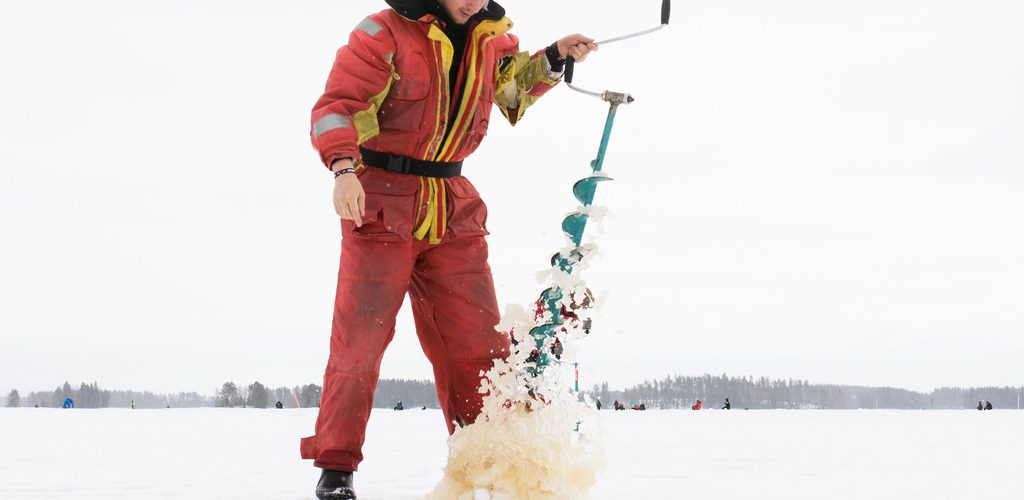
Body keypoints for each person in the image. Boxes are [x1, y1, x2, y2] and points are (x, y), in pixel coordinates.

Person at [300, 1, 597, 498]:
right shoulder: (384, 31)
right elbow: (337, 108)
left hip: (453, 204)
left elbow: (511, 91)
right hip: (380, 200)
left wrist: (552, 57)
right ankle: (336, 469)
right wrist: (344, 168)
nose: (474, 2)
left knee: (479, 347)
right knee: (360, 342)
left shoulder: (492, 38)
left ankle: (485, 466)